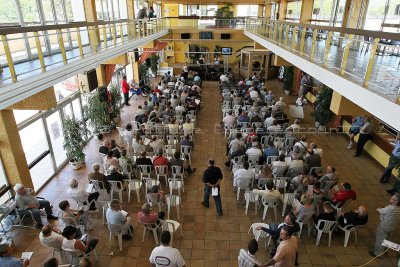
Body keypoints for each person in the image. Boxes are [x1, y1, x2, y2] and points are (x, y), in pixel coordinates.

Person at [371, 193, 400, 257]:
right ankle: (384, 251)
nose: (392, 200)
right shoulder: (398, 209)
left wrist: (378, 209)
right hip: (392, 226)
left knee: (380, 239)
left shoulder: (391, 209)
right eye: (392, 198)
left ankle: (378, 254)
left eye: (394, 199)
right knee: (387, 238)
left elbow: (380, 211)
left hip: (384, 226)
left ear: (396, 202)